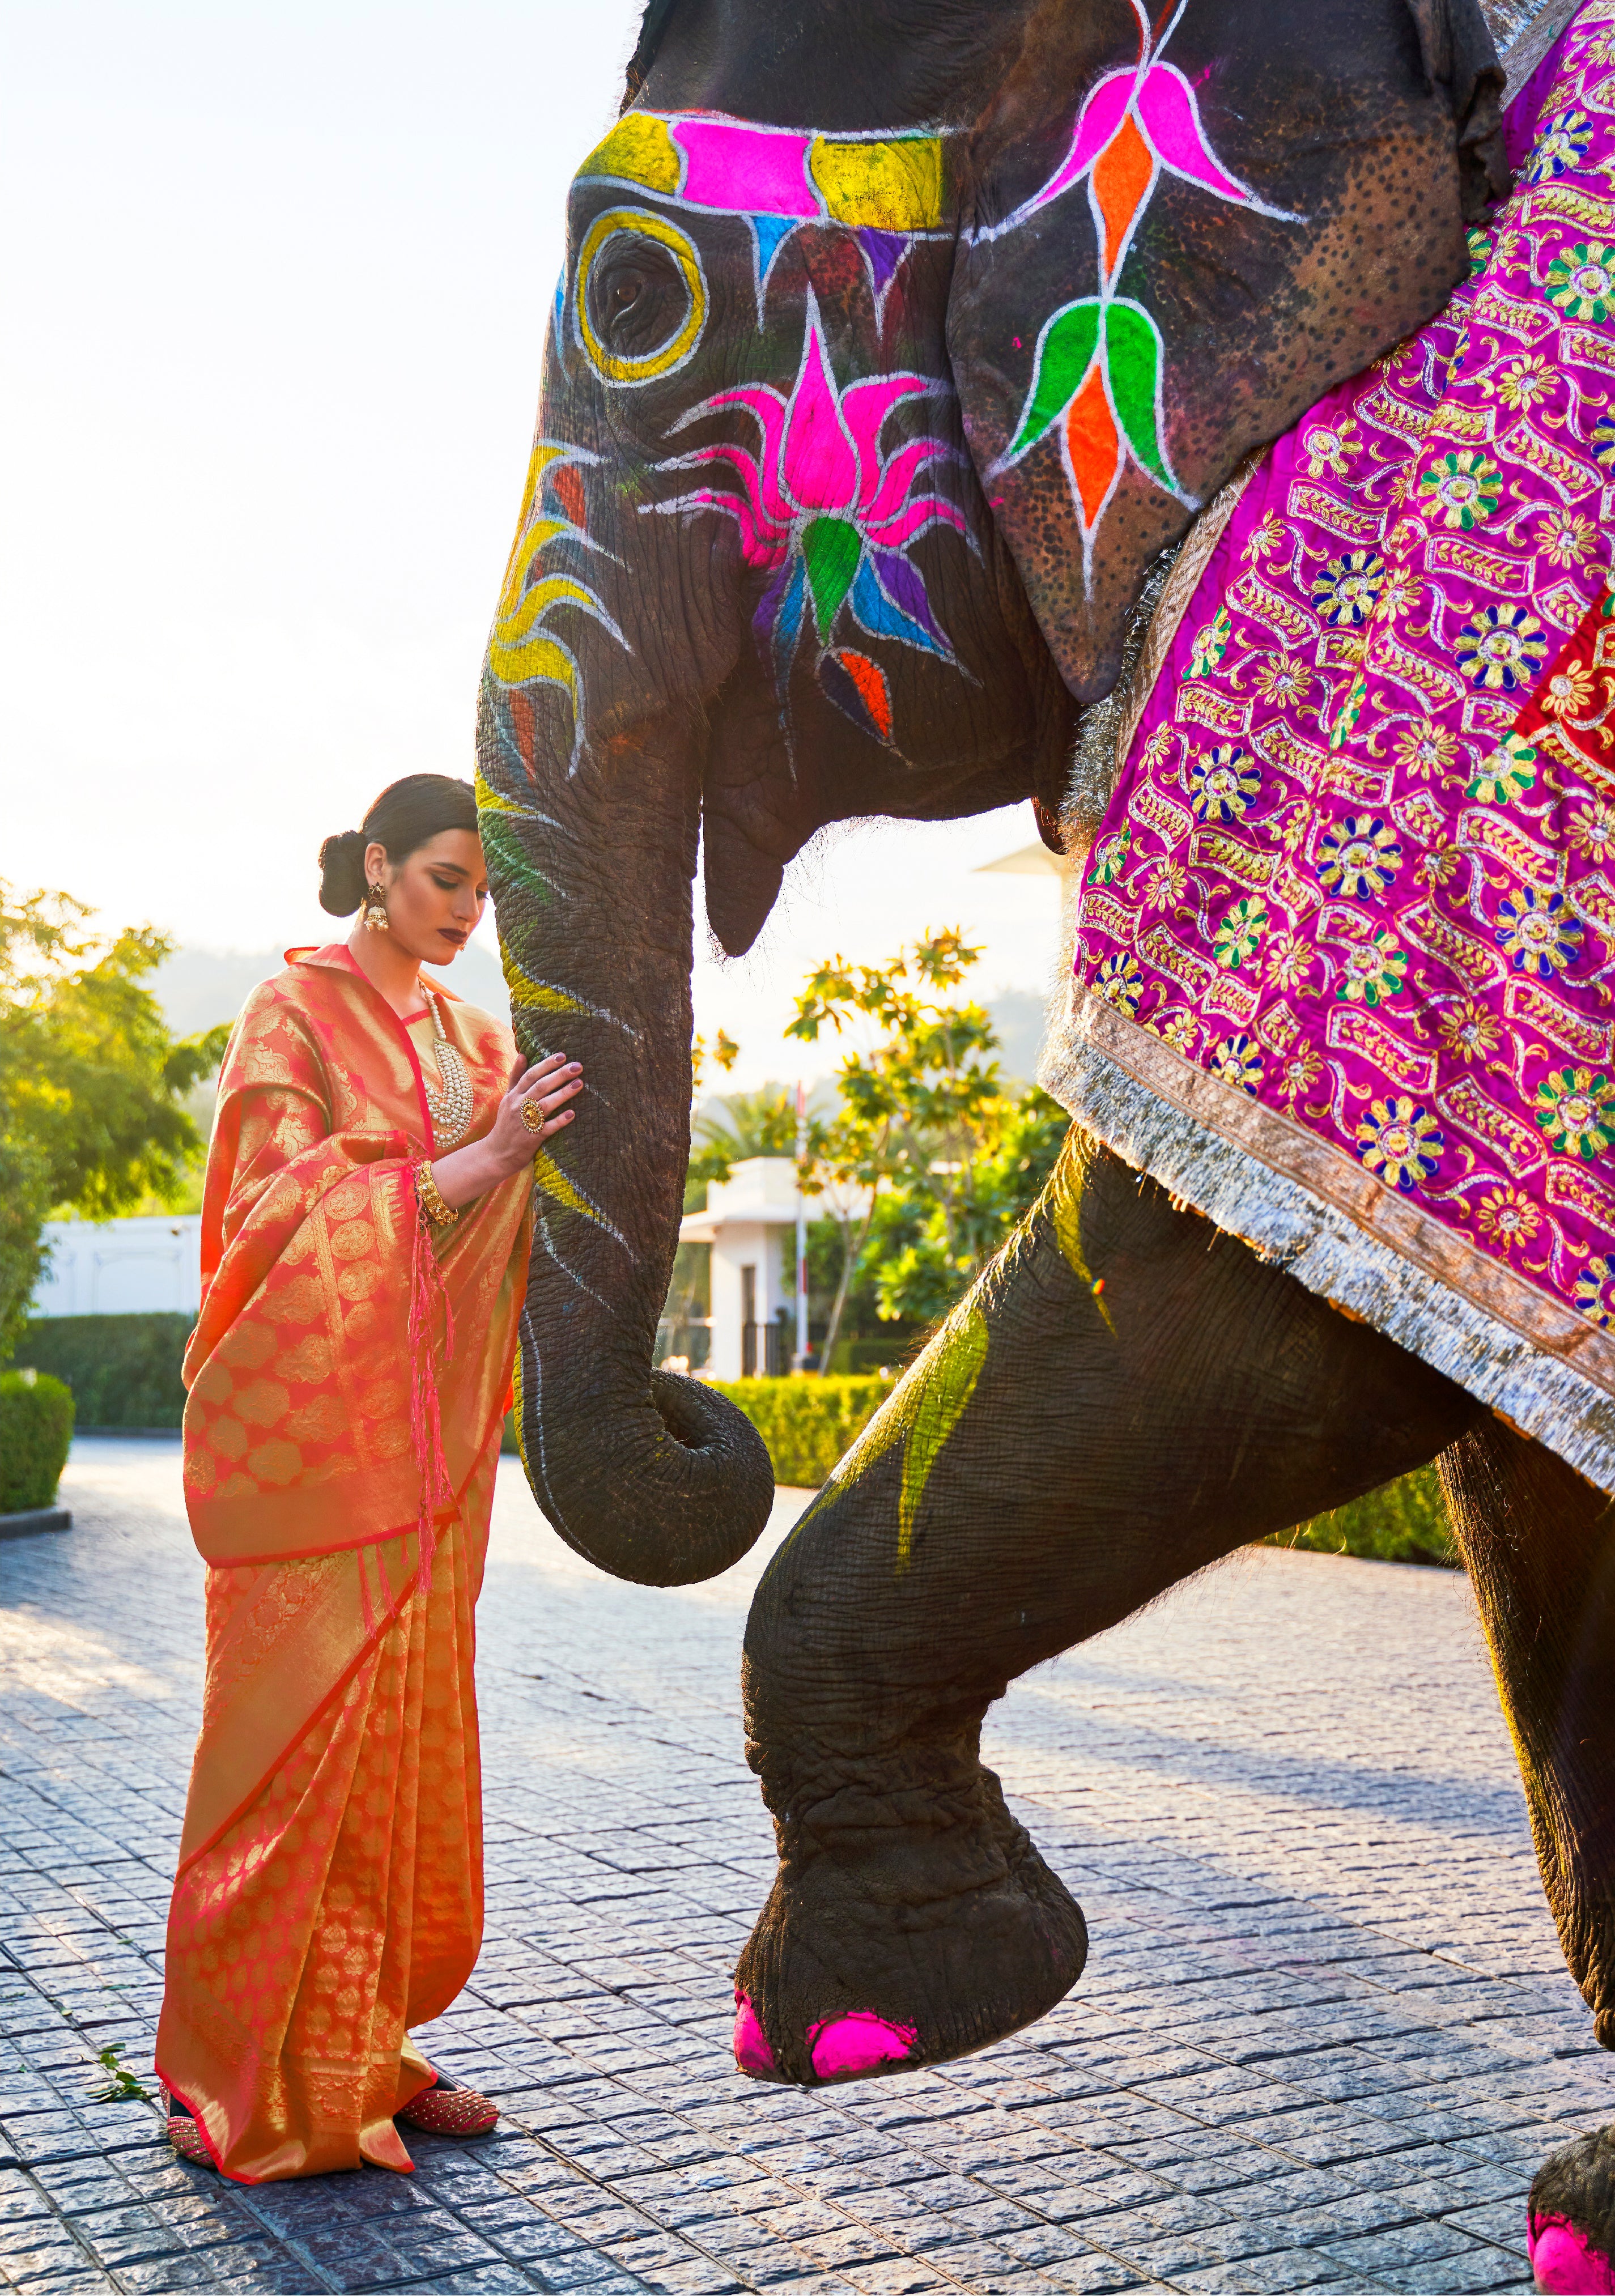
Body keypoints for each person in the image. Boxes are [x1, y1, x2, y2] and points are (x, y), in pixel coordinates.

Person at [155, 772, 581, 2181]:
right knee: (283, 1771)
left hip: (427, 1465)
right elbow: (273, 1222)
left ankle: (369, 2055)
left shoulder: (475, 1032)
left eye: (483, 889)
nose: (468, 909)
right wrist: (482, 1155)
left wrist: (529, 1152)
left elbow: (509, 1217)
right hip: (315, 1459)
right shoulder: (292, 1012)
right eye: (448, 879)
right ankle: (228, 2074)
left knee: (396, 1764)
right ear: (380, 868)